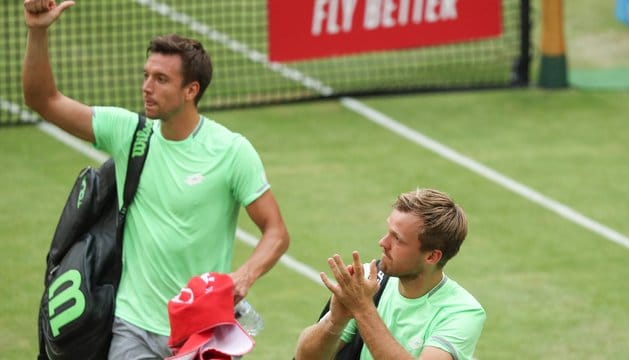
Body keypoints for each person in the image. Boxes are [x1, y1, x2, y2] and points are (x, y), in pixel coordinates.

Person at [22, 1, 290, 358]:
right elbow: (43, 100)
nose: (147, 87)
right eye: (146, 75)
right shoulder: (128, 133)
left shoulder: (231, 152)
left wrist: (245, 275)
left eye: (161, 79)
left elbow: (276, 233)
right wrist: (37, 31)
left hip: (204, 334)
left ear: (190, 90)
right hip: (132, 326)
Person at [295, 189, 485, 360]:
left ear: (432, 256)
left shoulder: (461, 312)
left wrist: (362, 308)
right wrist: (335, 320)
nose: (383, 242)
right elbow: (305, 357)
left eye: (398, 239)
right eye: (388, 232)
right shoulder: (371, 281)